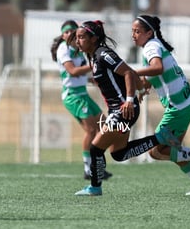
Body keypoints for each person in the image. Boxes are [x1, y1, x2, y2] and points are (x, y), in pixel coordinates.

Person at [73, 20, 180, 196]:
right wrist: (140, 87)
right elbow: (120, 76)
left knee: (95, 148)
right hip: (120, 110)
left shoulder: (103, 54)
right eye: (77, 38)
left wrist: (130, 99)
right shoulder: (93, 57)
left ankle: (95, 187)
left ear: (93, 39)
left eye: (82, 37)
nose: (78, 41)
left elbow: (128, 72)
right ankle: (161, 137)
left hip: (123, 110)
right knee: (119, 153)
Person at [132, 14, 190, 196]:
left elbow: (157, 68)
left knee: (155, 151)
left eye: (137, 31)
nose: (134, 35)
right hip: (186, 104)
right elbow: (153, 77)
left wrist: (131, 72)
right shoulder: (154, 45)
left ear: (149, 33)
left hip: (178, 108)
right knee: (173, 150)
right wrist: (141, 89)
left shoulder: (151, 47)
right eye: (132, 31)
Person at [50, 20, 112, 180]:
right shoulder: (64, 49)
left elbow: (83, 72)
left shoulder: (78, 49)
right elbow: (72, 71)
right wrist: (96, 65)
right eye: (66, 31)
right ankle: (88, 168)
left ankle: (97, 165)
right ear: (62, 35)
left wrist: (95, 80)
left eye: (72, 30)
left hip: (82, 94)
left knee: (105, 126)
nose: (70, 33)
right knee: (91, 131)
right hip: (72, 96)